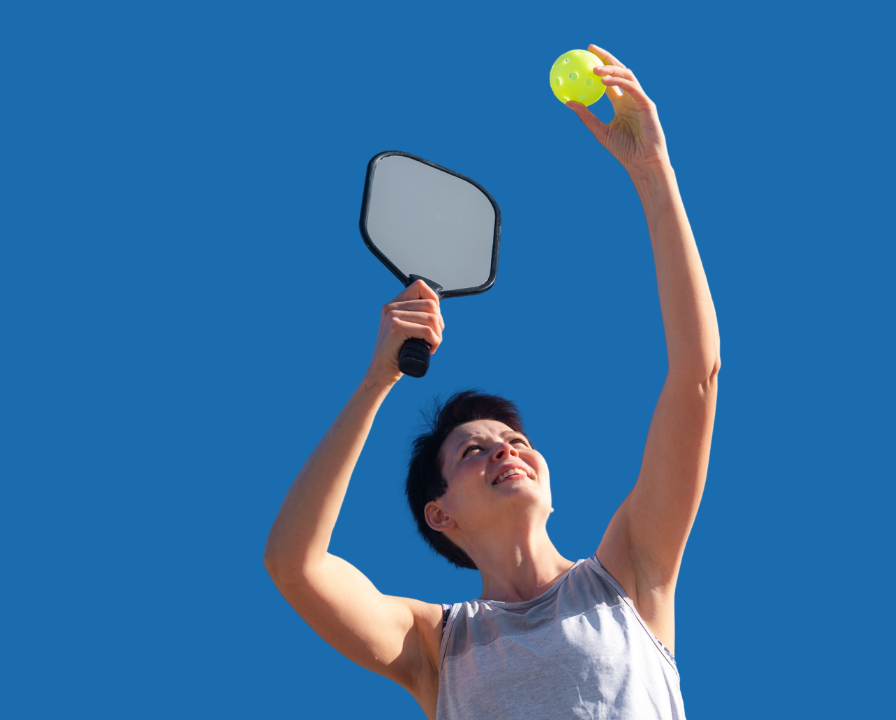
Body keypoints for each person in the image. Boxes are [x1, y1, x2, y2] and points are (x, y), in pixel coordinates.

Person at [264, 44, 720, 719]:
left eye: (513, 439)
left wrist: (654, 174)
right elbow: (295, 565)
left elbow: (696, 377)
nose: (507, 449)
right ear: (439, 514)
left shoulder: (630, 575)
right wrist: (374, 384)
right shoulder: (435, 645)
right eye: (474, 450)